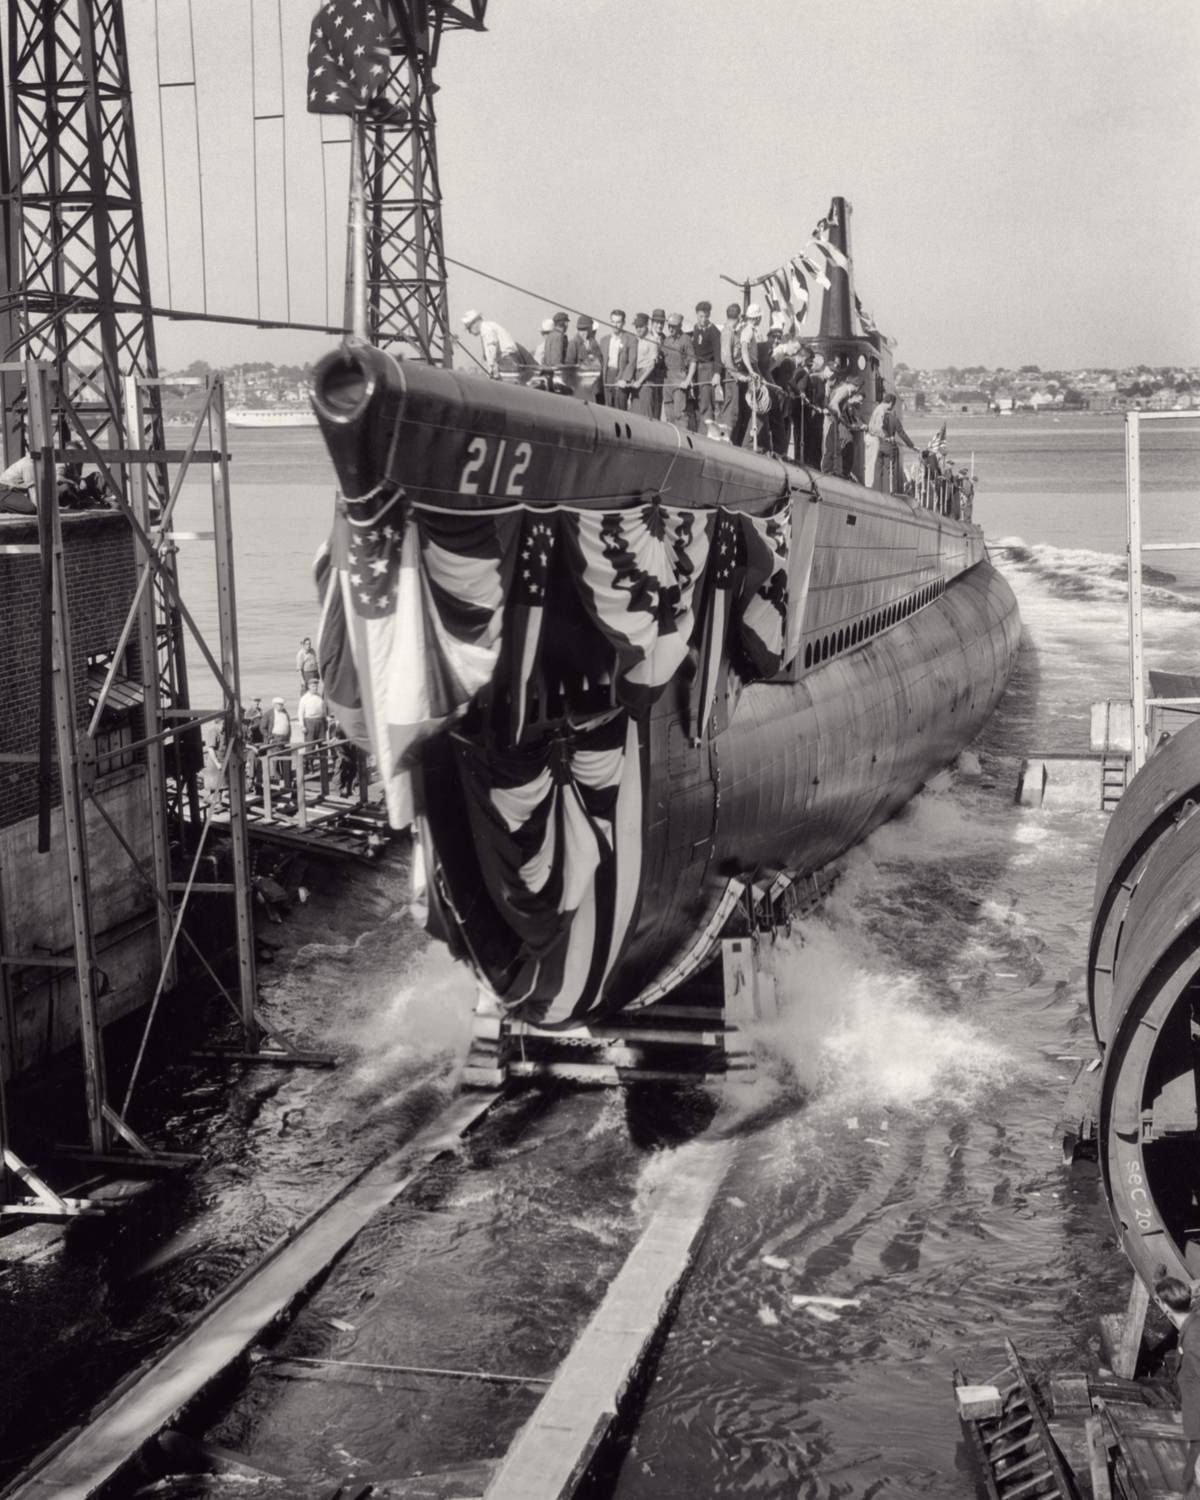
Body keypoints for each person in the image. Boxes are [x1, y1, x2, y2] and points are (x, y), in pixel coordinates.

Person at [1157, 1278, 1200, 1498]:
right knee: (1190, 1480)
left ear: (1165, 1307)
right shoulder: (1192, 1326)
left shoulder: (1193, 1337)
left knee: (1193, 1481)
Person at [864, 392, 917, 493]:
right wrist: (911, 446)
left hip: (879, 446)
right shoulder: (892, 418)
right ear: (891, 404)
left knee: (878, 470)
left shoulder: (878, 410)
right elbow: (902, 434)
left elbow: (874, 428)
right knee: (889, 471)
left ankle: (876, 491)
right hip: (888, 447)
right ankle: (888, 492)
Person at [460, 309, 526, 380]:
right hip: (509, 360)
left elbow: (491, 348)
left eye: (469, 328)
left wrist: (492, 368)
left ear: (474, 323)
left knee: (507, 388)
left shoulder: (486, 330)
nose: (469, 332)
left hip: (506, 362)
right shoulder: (489, 327)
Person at [823, 373, 865, 479]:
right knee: (833, 446)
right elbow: (834, 403)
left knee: (833, 446)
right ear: (856, 386)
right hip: (833, 420)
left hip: (834, 420)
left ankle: (832, 469)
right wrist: (839, 416)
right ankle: (829, 470)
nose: (856, 391)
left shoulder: (845, 390)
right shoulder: (845, 390)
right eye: (857, 388)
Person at [660, 314, 697, 433]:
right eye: (669, 326)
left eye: (674, 327)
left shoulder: (685, 339)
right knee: (669, 414)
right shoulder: (666, 340)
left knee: (679, 415)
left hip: (679, 380)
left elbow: (693, 362)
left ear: (680, 326)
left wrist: (687, 381)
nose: (670, 329)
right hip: (667, 382)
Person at [690, 301, 722, 433]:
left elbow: (718, 354)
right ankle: (699, 431)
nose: (703, 320)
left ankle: (706, 434)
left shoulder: (713, 331)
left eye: (706, 317)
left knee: (706, 403)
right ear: (697, 315)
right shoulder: (696, 328)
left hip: (708, 369)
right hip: (697, 368)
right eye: (700, 316)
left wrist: (717, 373)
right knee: (698, 401)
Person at [599, 309, 637, 411]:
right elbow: (601, 362)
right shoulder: (604, 340)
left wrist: (624, 379)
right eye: (613, 321)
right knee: (606, 410)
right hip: (607, 377)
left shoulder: (631, 339)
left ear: (623, 323)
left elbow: (632, 361)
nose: (615, 325)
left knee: (620, 410)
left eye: (618, 322)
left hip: (621, 377)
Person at [717, 302, 745, 443]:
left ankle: (726, 438)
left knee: (734, 409)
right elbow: (726, 358)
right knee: (731, 409)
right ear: (739, 316)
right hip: (731, 374)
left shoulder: (733, 332)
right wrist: (736, 374)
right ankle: (723, 439)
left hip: (734, 373)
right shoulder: (728, 333)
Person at [630, 313, 663, 419]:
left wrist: (640, 381)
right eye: (636, 327)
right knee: (634, 412)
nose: (638, 329)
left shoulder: (652, 340)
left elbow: (652, 365)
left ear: (646, 326)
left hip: (646, 379)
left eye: (641, 326)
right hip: (635, 377)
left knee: (646, 414)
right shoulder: (636, 339)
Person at [565, 315, 604, 401]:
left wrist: (590, 351)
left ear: (590, 329)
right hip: (580, 389)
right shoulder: (574, 344)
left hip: (594, 388)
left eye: (586, 329)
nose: (583, 332)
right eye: (580, 329)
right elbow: (569, 367)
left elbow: (600, 363)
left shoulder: (593, 343)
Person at [265, 694, 293, 793]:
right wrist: (269, 738)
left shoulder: (285, 712)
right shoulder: (269, 713)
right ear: (274, 705)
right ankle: (276, 784)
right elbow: (262, 727)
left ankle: (287, 781)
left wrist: (289, 736)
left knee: (286, 760)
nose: (281, 706)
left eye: (282, 704)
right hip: (275, 738)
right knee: (276, 760)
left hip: (285, 739)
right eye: (279, 704)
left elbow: (288, 724)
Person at [299, 679, 328, 743]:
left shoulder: (319, 696)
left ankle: (323, 753)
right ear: (309, 686)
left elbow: (324, 710)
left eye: (316, 686)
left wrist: (325, 722)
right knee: (310, 744)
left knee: (322, 744)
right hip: (309, 722)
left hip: (320, 721)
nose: (315, 688)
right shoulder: (304, 698)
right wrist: (302, 726)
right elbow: (300, 713)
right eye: (313, 686)